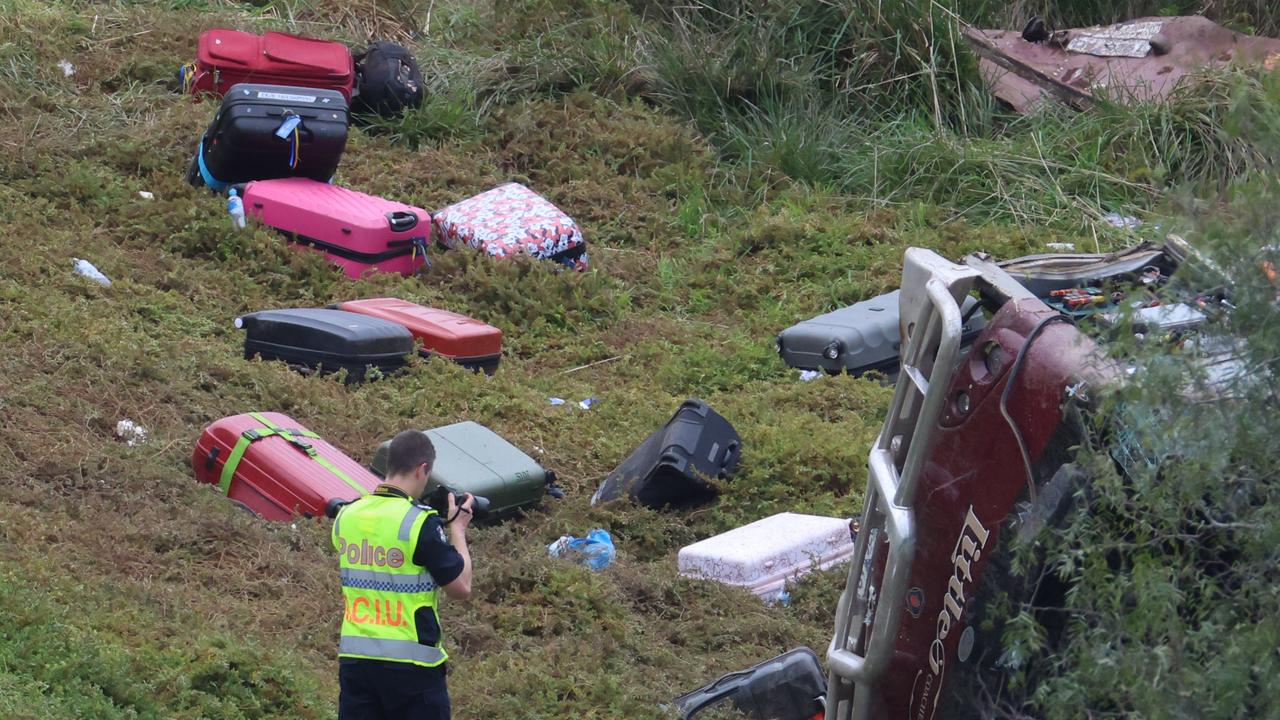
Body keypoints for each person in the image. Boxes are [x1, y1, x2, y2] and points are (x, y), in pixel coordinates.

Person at [333, 430, 475, 720]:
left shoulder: (347, 515)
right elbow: (461, 587)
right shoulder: (418, 522)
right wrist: (457, 530)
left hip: (356, 662)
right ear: (423, 469)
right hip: (412, 668)